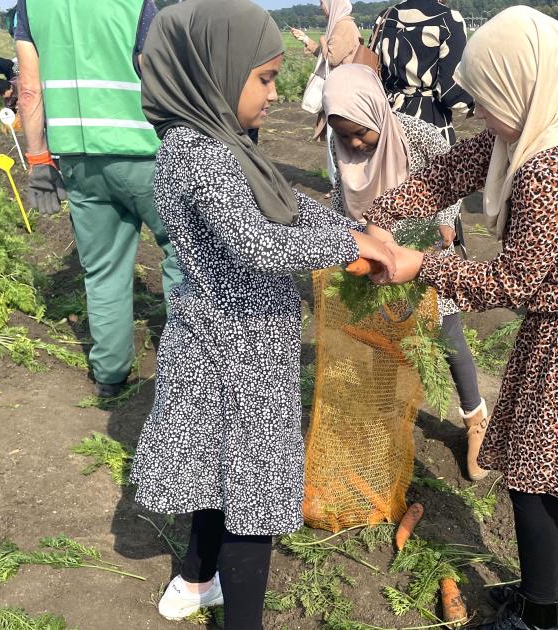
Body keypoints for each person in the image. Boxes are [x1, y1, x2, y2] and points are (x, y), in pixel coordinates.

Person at [365, 8, 558, 629]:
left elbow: (515, 281)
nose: (480, 113)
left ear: (524, 88)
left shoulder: (549, 165)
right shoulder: (548, 130)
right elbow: (450, 169)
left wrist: (425, 265)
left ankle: (542, 617)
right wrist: (382, 217)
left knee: (535, 479)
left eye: (488, 98)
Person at [129, 2, 395, 626]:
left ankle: (194, 582)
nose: (277, 93)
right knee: (252, 500)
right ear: (214, 73)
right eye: (265, 78)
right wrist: (346, 246)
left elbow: (284, 208)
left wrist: (348, 227)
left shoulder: (221, 144)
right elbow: (258, 242)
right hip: (236, 356)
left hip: (225, 343)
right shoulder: (200, 154)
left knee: (218, 475)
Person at [323, 64, 490, 481]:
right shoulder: (338, 146)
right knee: (382, 341)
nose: (355, 144)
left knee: (448, 337)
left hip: (425, 251)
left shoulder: (416, 133)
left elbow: (448, 172)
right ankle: (383, 419)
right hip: (376, 261)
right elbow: (338, 191)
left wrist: (447, 221)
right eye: (345, 137)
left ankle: (475, 422)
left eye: (361, 133)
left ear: (377, 111)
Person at [14, 0, 183, 397]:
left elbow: (28, 88)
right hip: (146, 150)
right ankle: (185, 371)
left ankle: (109, 376)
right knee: (182, 257)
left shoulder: (32, 7)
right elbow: (158, 66)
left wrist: (38, 158)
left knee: (103, 270)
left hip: (79, 158)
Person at [369, 0, 473, 146]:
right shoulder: (449, 19)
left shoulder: (386, 16)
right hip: (431, 124)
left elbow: (373, 72)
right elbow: (452, 93)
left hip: (388, 121)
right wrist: (473, 105)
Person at [288, 0, 361, 186]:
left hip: (342, 96)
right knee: (336, 141)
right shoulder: (339, 25)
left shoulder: (344, 26)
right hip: (341, 93)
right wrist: (305, 39)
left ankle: (342, 188)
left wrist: (321, 39)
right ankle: (340, 187)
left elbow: (331, 57)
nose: (321, 7)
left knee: (337, 142)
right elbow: (328, 53)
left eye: (323, 2)